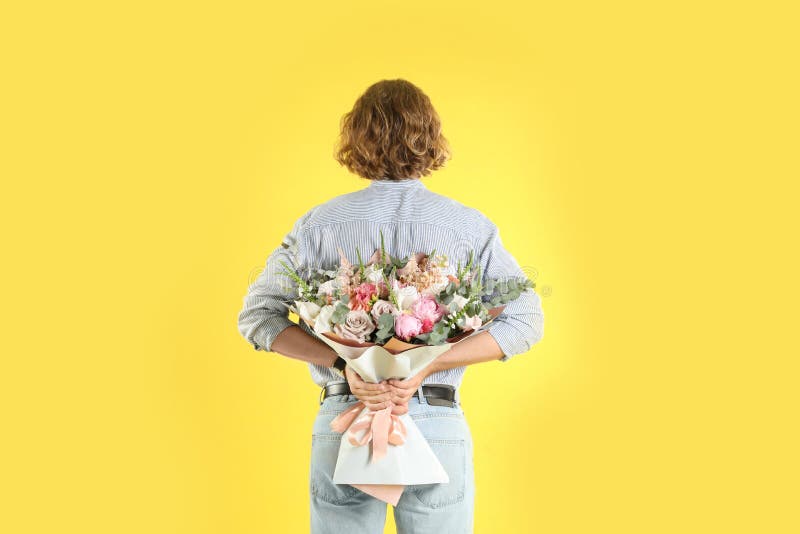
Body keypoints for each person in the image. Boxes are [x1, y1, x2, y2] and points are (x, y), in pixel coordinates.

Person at [237, 79, 545, 534]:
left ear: (355, 139)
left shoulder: (318, 225)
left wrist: (346, 365)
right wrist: (428, 364)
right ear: (431, 136)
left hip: (346, 419)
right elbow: (527, 318)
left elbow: (258, 316)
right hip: (434, 420)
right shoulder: (466, 226)